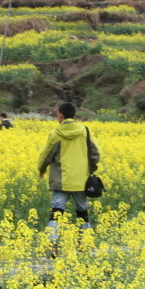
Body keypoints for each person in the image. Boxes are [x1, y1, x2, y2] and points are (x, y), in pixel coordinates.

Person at [37, 102, 100, 250]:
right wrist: (92, 166)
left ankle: (52, 243)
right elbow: (96, 153)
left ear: (60, 115)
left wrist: (42, 169)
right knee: (82, 211)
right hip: (81, 180)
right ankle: (85, 243)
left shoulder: (56, 134)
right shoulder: (85, 131)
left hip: (61, 181)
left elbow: (45, 155)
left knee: (57, 212)